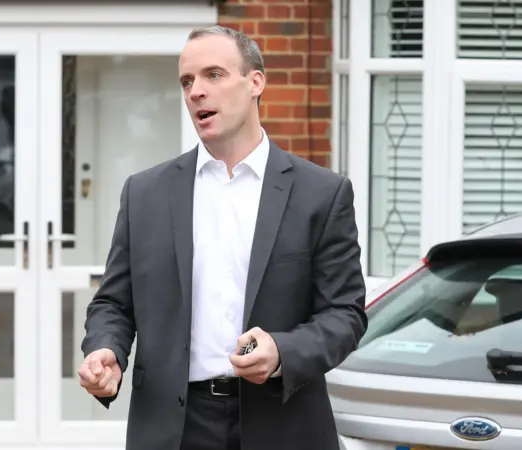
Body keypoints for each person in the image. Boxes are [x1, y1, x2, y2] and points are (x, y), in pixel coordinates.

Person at [77, 25, 368, 450]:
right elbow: (114, 303)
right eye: (187, 81)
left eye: (213, 75)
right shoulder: (145, 193)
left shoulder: (321, 193)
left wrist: (283, 351)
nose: (196, 91)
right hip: (175, 427)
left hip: (283, 425)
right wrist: (107, 350)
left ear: (255, 82)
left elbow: (345, 314)